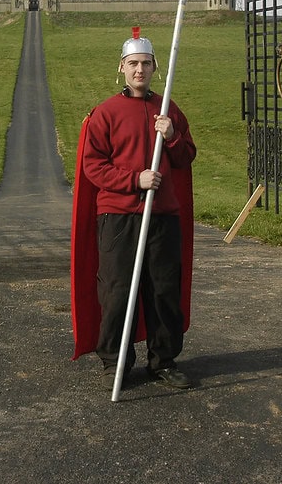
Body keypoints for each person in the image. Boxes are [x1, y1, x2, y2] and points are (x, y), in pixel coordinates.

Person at [70, 27, 196, 391]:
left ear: (155, 67)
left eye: (145, 63)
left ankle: (163, 361)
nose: (139, 70)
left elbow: (187, 157)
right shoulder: (105, 113)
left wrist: (171, 136)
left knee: (162, 290)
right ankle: (116, 362)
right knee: (117, 289)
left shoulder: (168, 109)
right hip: (119, 215)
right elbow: (94, 166)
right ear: (122, 68)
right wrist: (134, 180)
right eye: (133, 64)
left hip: (161, 216)